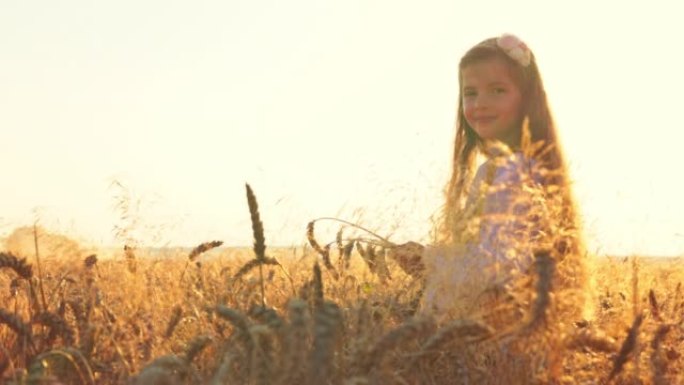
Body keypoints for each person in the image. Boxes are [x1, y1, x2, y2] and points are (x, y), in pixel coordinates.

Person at [390, 33, 589, 325]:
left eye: (497, 90)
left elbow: (496, 268)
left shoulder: (513, 173)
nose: (480, 103)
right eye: (470, 93)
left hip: (497, 336)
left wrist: (429, 262)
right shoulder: (511, 167)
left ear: (527, 99)